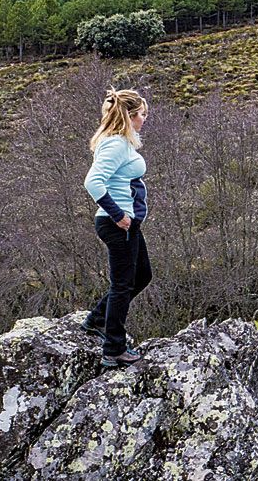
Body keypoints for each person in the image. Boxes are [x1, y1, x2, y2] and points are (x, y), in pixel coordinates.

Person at [81, 88, 152, 368]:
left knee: (142, 275)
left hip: (128, 223)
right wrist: (118, 214)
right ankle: (113, 349)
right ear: (130, 115)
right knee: (122, 285)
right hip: (117, 224)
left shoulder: (121, 143)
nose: (145, 119)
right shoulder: (116, 144)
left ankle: (98, 318)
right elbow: (93, 182)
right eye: (142, 114)